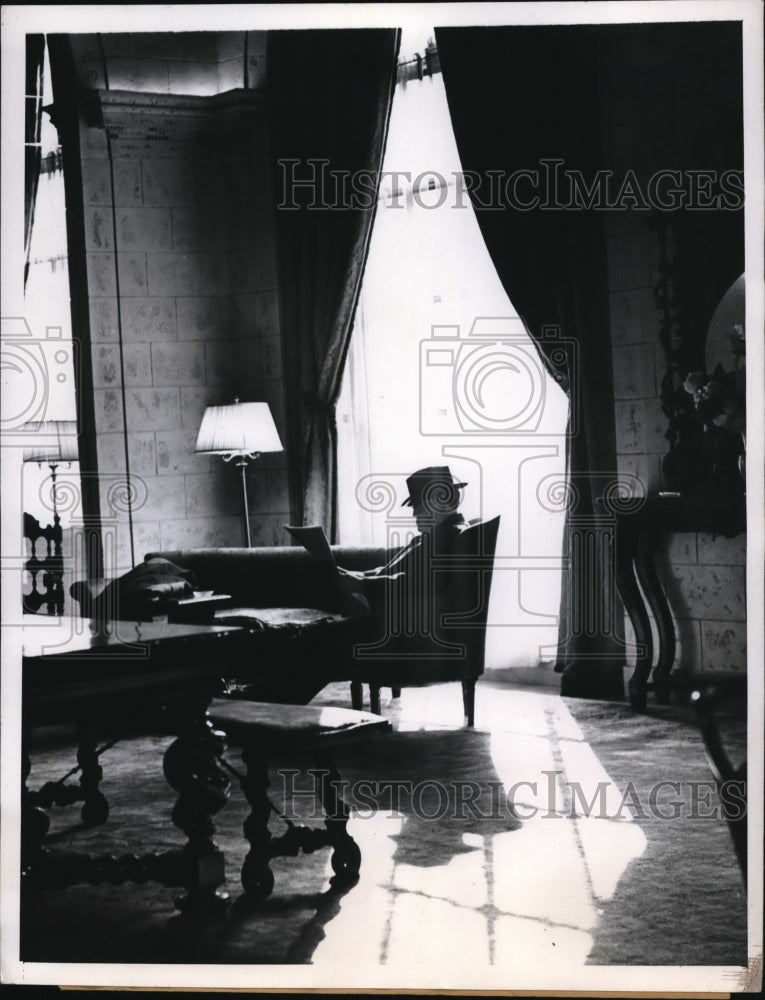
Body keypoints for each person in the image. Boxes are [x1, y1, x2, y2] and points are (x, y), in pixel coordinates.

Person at [336, 466, 471, 641]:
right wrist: (358, 576)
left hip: (399, 624)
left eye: (419, 506)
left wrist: (361, 583)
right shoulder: (435, 536)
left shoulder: (451, 536)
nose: (414, 513)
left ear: (442, 501)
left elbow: (416, 583)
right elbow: (395, 568)